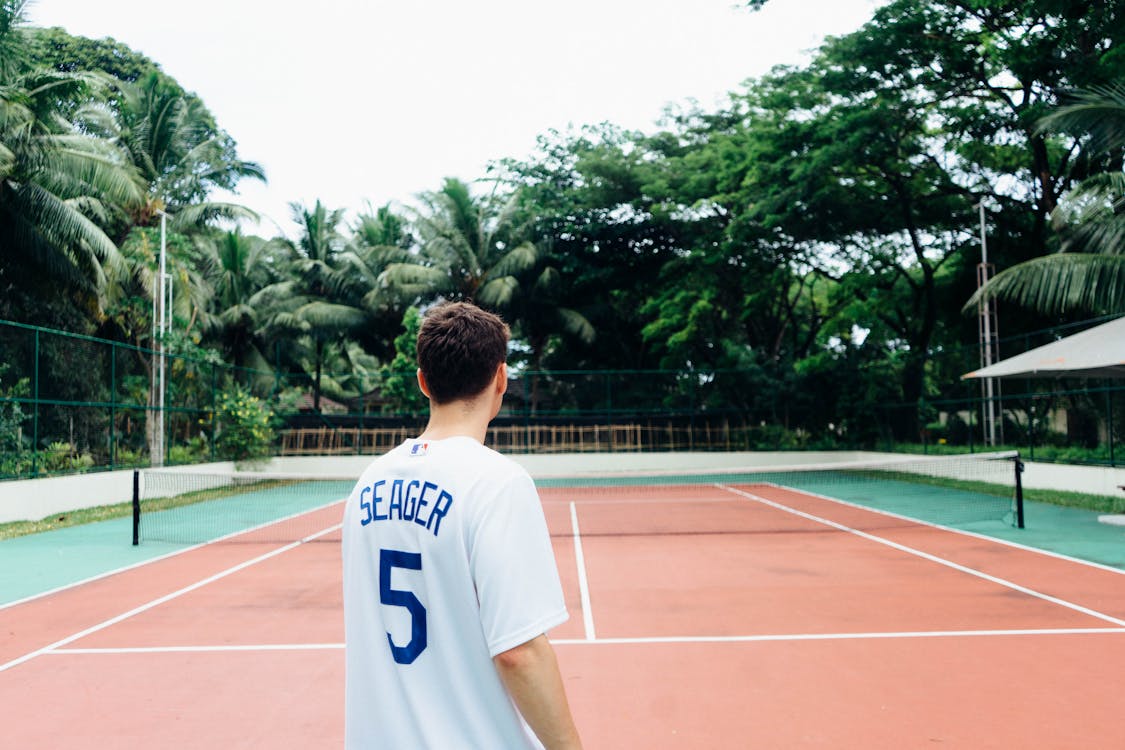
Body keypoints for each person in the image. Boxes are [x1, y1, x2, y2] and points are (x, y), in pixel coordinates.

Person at [342, 301, 583, 750]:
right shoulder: (497, 483)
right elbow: (519, 652)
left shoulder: (368, 484)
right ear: (501, 379)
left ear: (422, 381)